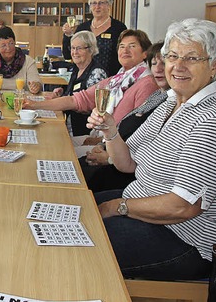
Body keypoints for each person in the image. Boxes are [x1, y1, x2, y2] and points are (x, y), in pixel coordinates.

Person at [90, 18, 216, 280]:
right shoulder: (171, 103)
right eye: (172, 56)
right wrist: (110, 130)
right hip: (143, 208)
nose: (178, 66)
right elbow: (127, 163)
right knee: (73, 209)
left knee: (79, 242)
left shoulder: (213, 122)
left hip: (187, 241)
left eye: (192, 58)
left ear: (214, 66)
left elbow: (182, 207)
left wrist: (118, 206)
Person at [25, 29, 158, 153]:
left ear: (145, 52)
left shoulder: (147, 84)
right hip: (100, 138)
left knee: (55, 151)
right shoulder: (117, 79)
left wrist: (101, 144)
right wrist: (34, 105)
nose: (125, 50)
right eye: (122, 46)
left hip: (113, 150)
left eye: (132, 46)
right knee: (49, 144)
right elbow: (77, 99)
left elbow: (137, 132)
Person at [82, 42, 168, 192]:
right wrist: (104, 145)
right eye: (154, 63)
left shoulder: (164, 99)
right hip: (114, 157)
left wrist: (108, 158)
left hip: (125, 175)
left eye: (165, 63)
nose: (158, 69)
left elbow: (144, 153)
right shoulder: (157, 95)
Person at [51, 31, 108, 136]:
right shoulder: (77, 69)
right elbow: (75, 93)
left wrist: (64, 101)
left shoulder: (97, 73)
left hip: (85, 133)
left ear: (90, 50)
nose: (74, 52)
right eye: (72, 48)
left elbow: (92, 107)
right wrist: (63, 93)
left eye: (79, 48)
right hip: (69, 126)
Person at [62, 0, 127, 76]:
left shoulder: (119, 28)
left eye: (101, 3)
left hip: (109, 79)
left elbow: (124, 55)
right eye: (93, 3)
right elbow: (67, 55)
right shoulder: (82, 28)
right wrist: (68, 35)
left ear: (109, 5)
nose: (97, 7)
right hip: (82, 79)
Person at [0, 26, 42, 94]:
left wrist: (36, 86)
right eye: (3, 45)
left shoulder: (28, 61)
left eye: (11, 43)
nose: (8, 48)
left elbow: (36, 82)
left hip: (20, 100)